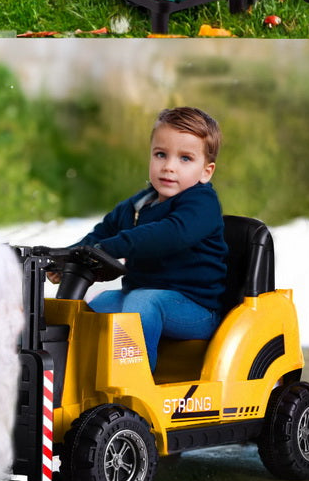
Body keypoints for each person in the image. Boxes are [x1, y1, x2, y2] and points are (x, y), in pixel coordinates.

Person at [54, 106, 228, 372]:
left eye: (185, 159)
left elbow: (168, 234)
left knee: (142, 302)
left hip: (196, 309)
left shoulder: (201, 204)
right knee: (96, 307)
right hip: (142, 296)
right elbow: (102, 233)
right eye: (161, 154)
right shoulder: (139, 204)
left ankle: (133, 384)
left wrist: (109, 248)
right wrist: (67, 257)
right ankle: (83, 378)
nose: (169, 167)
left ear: (206, 171)